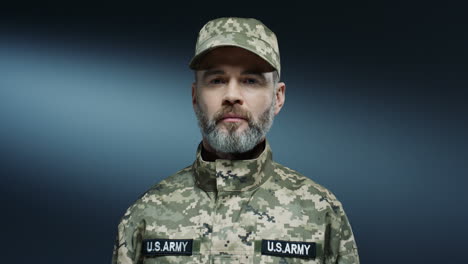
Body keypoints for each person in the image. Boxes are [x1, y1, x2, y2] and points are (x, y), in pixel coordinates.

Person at [112, 17, 359, 264]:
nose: (232, 95)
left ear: (278, 97)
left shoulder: (321, 212)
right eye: (217, 80)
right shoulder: (146, 214)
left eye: (251, 80)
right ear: (195, 96)